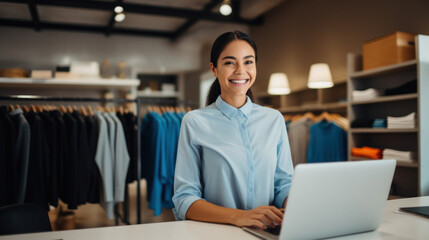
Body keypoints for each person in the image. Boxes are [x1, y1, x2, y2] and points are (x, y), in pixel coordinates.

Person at [172, 30, 294, 230]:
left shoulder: (274, 120)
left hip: (268, 232)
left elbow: (284, 184)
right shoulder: (194, 122)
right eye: (230, 62)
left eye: (248, 62)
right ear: (214, 69)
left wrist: (296, 207)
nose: (240, 70)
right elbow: (185, 200)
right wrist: (240, 216)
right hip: (217, 233)